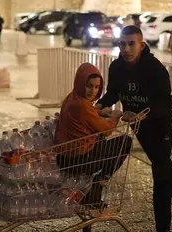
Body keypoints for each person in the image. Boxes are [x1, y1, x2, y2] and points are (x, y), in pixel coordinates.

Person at [95, 25, 172, 232]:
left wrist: (143, 114)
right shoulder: (117, 67)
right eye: (122, 44)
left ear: (142, 44)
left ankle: (163, 231)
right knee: (163, 165)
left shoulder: (155, 69)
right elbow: (113, 92)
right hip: (138, 125)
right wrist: (98, 105)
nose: (126, 49)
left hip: (159, 124)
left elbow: (166, 102)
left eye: (131, 44)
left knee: (159, 171)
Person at [55, 63, 131, 209]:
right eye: (89, 86)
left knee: (101, 141)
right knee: (124, 142)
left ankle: (94, 191)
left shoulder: (72, 98)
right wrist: (115, 116)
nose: (93, 91)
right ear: (80, 83)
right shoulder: (83, 105)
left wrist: (98, 113)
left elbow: (85, 117)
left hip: (64, 158)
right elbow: (106, 130)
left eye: (97, 87)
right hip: (80, 159)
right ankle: (99, 183)